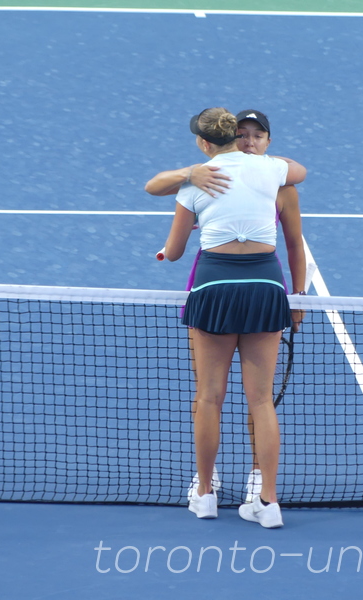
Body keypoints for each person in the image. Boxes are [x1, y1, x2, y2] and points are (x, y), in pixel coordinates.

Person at [145, 109, 307, 506]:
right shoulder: (271, 172)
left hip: (215, 289)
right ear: (234, 137)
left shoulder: (273, 177)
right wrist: (192, 173)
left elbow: (168, 227)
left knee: (209, 397)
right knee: (253, 398)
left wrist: (300, 295)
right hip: (260, 289)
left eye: (258, 135)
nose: (251, 141)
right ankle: (259, 498)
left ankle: (216, 489)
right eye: (244, 134)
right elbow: (299, 170)